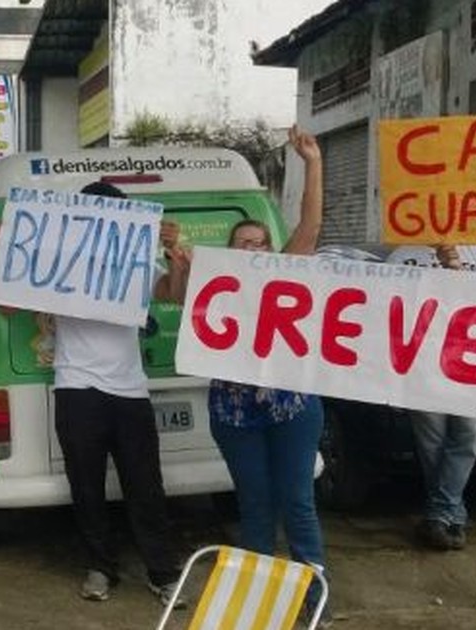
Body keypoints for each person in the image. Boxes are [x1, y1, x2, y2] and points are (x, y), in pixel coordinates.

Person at [158, 125, 328, 616]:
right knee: (254, 507)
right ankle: (261, 602)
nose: (252, 248)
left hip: (292, 405)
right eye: (243, 242)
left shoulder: (286, 272)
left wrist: (312, 163)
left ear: (272, 249)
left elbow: (310, 227)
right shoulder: (215, 287)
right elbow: (176, 294)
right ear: (230, 253)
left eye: (259, 241)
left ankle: (312, 600)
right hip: (234, 413)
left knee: (297, 503)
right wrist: (178, 258)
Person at [42, 181, 184, 608]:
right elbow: (11, 304)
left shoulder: (136, 263)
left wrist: (173, 254)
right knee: (85, 487)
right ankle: (100, 567)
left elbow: (173, 295)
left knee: (146, 485)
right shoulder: (59, 263)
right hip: (75, 385)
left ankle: (163, 573)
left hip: (129, 389)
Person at [388, 244, 476, 551]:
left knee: (467, 437)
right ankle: (451, 516)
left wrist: (455, 267)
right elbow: (392, 306)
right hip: (422, 364)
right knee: (432, 444)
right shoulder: (400, 255)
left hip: (472, 362)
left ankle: (440, 515)